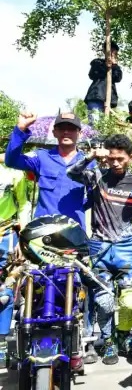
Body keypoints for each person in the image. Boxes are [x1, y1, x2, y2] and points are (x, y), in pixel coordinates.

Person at [67, 135, 132, 365]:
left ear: (130, 157)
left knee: (130, 301)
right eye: (111, 158)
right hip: (99, 247)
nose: (115, 163)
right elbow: (71, 173)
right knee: (104, 302)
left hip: (126, 247)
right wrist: (91, 155)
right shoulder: (96, 176)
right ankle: (109, 340)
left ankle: (124, 335)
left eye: (120, 158)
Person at [4, 112, 94, 229]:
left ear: (80, 134)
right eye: (61, 128)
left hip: (74, 229)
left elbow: (94, 197)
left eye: (71, 129)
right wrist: (21, 129)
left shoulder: (89, 163)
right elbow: (11, 161)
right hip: (43, 229)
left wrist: (77, 208)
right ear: (54, 132)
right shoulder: (41, 157)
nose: (66, 132)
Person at [0, 153, 31, 364]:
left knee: (5, 293)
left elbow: (23, 205)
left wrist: (22, 237)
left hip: (6, 236)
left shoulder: (13, 171)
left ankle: (2, 344)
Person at [85, 41, 122, 124]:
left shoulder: (115, 67)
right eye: (110, 51)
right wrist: (106, 66)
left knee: (105, 124)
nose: (112, 54)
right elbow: (92, 75)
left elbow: (118, 78)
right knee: (94, 123)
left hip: (109, 100)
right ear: (104, 51)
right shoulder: (97, 62)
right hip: (96, 97)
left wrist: (114, 65)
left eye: (114, 52)